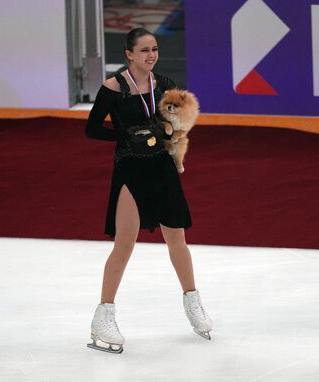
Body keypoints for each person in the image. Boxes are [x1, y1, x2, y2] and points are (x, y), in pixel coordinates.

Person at [85, 28, 212, 353]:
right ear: (129, 54)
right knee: (124, 243)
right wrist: (125, 136)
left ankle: (192, 302)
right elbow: (92, 128)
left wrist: (170, 130)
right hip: (130, 169)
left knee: (177, 240)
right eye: (144, 50)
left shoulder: (164, 85)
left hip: (162, 168)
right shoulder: (113, 88)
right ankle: (104, 315)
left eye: (154, 49)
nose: (150, 55)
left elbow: (184, 118)